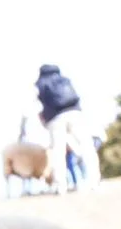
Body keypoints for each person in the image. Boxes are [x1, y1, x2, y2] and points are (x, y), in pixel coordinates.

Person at [35, 64, 100, 194]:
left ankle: (60, 186)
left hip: (55, 118)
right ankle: (94, 181)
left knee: (58, 151)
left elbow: (37, 105)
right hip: (75, 113)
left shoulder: (41, 83)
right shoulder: (64, 80)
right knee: (86, 146)